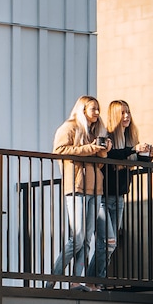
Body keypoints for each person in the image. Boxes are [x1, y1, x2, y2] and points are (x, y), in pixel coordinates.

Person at [51, 96, 110, 280]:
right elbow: (59, 151)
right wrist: (91, 148)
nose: (97, 112)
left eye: (98, 109)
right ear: (83, 110)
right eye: (93, 109)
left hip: (95, 188)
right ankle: (54, 278)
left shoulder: (94, 132)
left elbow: (98, 164)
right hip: (76, 187)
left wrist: (103, 151)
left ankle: (77, 281)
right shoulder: (70, 127)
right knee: (77, 237)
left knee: (86, 240)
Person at [95, 100, 153, 278]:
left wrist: (147, 155)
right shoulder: (106, 137)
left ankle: (94, 281)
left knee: (109, 244)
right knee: (109, 242)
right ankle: (95, 280)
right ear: (115, 115)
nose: (127, 116)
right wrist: (132, 150)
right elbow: (112, 155)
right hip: (102, 197)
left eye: (128, 112)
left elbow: (135, 160)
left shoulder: (130, 138)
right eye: (122, 113)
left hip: (119, 197)